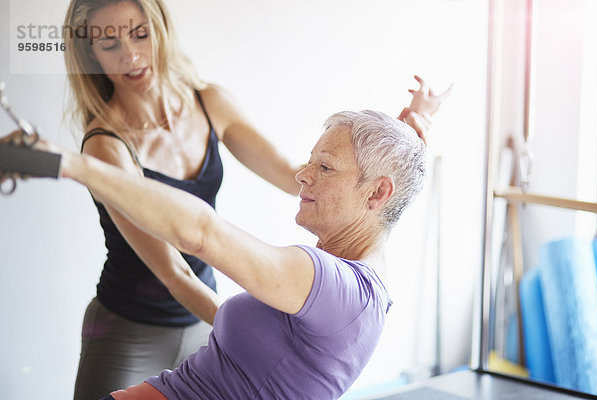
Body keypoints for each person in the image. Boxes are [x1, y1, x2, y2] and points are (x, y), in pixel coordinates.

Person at [13, 0, 444, 398]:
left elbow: (299, 178)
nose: (130, 55)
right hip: (132, 324)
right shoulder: (105, 146)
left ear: (159, 30)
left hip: (209, 317)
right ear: (91, 57)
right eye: (109, 44)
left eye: (139, 34)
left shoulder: (209, 102)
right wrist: (248, 335)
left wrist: (391, 146)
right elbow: (176, 269)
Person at [25, 104, 430, 399]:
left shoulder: (336, 287)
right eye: (309, 162)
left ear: (378, 193)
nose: (302, 175)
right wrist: (413, 125)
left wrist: (71, 166)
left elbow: (202, 234)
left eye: (324, 168)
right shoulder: (348, 276)